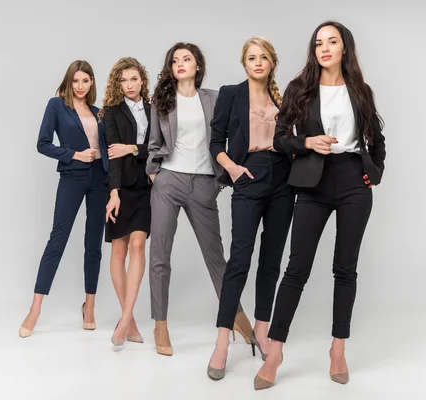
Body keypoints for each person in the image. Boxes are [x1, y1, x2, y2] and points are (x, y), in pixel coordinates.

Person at [254, 21, 387, 389]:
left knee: (345, 268)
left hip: (351, 182)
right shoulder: (301, 88)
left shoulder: (361, 91)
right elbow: (280, 140)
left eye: (332, 42)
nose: (324, 48)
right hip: (312, 180)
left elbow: (376, 140)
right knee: (296, 268)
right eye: (318, 43)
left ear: (345, 48)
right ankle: (276, 349)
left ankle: (338, 347)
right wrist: (308, 143)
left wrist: (373, 173)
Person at [147, 42, 252, 356]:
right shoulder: (161, 101)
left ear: (197, 66)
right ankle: (160, 324)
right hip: (168, 180)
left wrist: (222, 176)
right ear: (171, 67)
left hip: (205, 183)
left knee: (216, 257)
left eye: (186, 58)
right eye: (175, 60)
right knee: (160, 256)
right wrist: (155, 174)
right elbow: (154, 142)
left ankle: (237, 316)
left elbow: (229, 136)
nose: (180, 63)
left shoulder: (214, 99)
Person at [206, 37, 294, 380]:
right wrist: (232, 167)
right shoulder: (231, 93)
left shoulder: (282, 98)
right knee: (239, 260)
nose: (258, 63)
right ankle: (223, 340)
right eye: (252, 58)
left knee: (271, 260)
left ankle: (261, 328)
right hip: (248, 174)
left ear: (272, 63)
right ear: (245, 63)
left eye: (264, 58)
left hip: (282, 180)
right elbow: (216, 141)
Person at [19, 60, 108, 338]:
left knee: (93, 244)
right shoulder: (56, 106)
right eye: (75, 81)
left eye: (85, 81)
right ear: (69, 82)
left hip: (99, 180)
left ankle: (89, 306)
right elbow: (43, 143)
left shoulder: (98, 112)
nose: (80, 86)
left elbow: (105, 147)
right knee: (57, 239)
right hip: (73, 176)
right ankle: (35, 308)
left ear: (92, 82)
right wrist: (73, 155)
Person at [100, 57, 152, 347]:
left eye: (134, 79)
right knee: (119, 250)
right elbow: (113, 156)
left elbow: (161, 148)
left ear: (142, 80)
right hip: (122, 188)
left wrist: (133, 148)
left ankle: (125, 317)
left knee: (138, 244)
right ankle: (129, 321)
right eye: (123, 81)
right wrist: (114, 192)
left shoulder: (155, 109)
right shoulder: (111, 112)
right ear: (117, 84)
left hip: (147, 186)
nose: (129, 85)